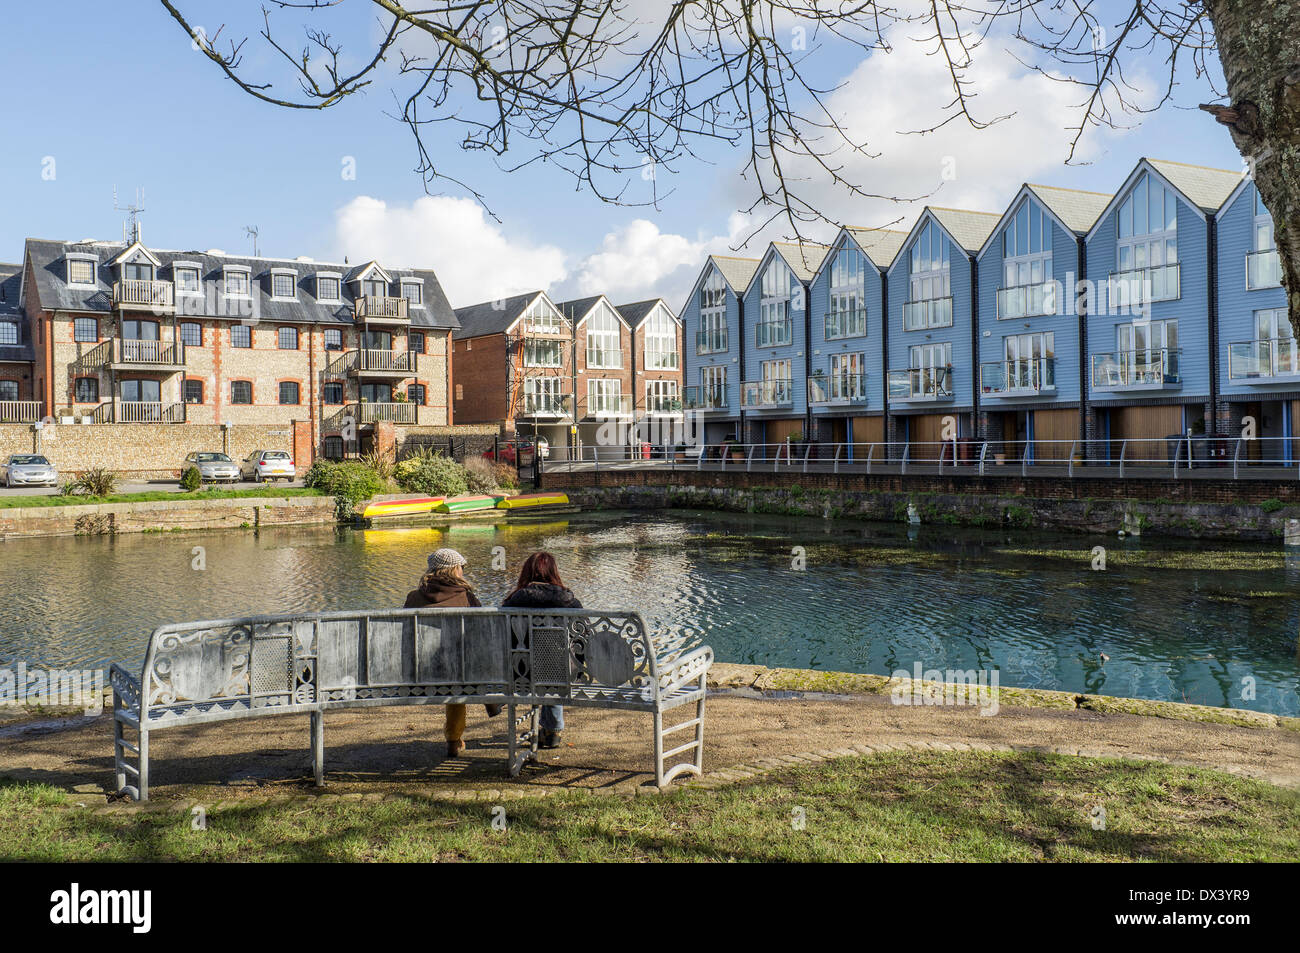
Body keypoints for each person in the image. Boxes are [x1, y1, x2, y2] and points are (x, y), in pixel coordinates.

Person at [403, 548, 500, 757]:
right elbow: (483, 637)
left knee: (454, 668)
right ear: (454, 570)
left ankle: (456, 738)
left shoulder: (413, 598)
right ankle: (458, 735)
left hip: (420, 674)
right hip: (460, 675)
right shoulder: (466, 598)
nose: (463, 572)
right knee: (460, 669)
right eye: (462, 568)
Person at [501, 551, 581, 749]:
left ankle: (551, 729)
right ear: (554, 572)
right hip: (562, 673)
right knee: (555, 659)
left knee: (539, 658)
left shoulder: (514, 601)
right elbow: (582, 636)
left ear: (526, 573)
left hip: (521, 674)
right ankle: (553, 729)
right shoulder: (569, 601)